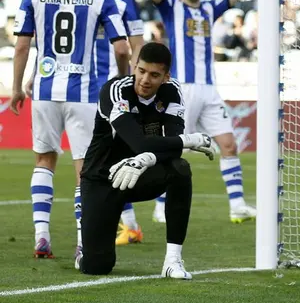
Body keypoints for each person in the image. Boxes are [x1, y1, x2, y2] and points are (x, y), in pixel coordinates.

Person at [9, 0, 129, 259]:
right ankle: (82, 242)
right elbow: (123, 49)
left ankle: (41, 236)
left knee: (44, 159)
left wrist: (16, 87)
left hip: (46, 91)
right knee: (84, 171)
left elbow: (22, 45)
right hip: (84, 94)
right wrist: (121, 82)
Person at [77, 42, 216, 278]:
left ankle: (173, 261)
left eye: (154, 75)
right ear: (134, 66)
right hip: (102, 178)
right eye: (141, 71)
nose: (145, 80)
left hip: (140, 173)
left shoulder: (172, 91)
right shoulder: (115, 90)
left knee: (180, 169)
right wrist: (189, 140)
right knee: (98, 266)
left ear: (165, 76)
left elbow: (171, 145)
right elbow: (139, 142)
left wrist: (146, 159)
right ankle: (84, 245)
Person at [147, 0, 257, 224]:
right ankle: (160, 205)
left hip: (210, 88)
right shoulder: (170, 6)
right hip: (183, 88)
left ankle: (238, 205)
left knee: (228, 144)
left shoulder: (209, 8)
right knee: (174, 148)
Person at [84, 0, 146, 246]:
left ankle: (117, 226)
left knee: (109, 159)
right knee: (98, 160)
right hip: (80, 90)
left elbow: (136, 46)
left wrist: (132, 85)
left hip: (113, 91)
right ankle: (128, 226)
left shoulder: (124, 2)